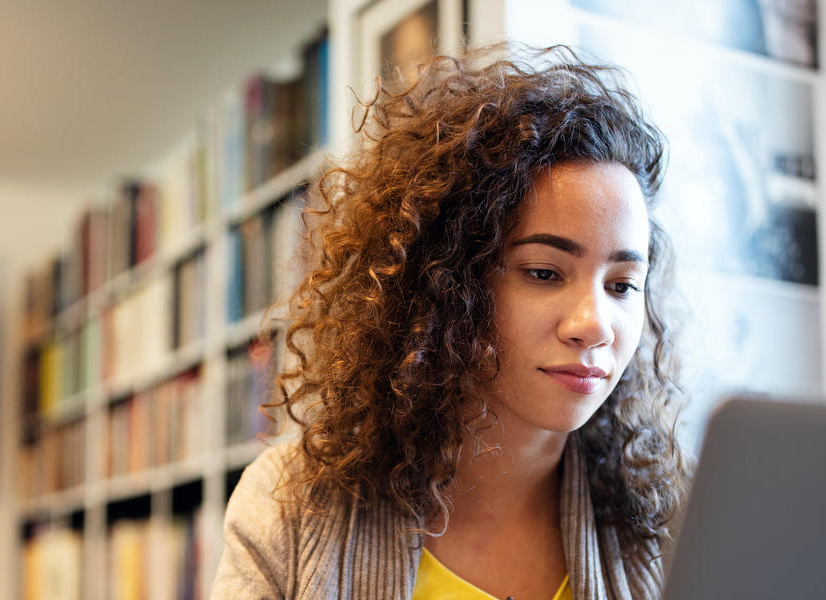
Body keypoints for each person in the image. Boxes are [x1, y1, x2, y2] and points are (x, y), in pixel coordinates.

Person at [213, 45, 688, 600]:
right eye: (542, 273)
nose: (594, 325)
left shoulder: (679, 515)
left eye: (622, 286)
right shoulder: (288, 504)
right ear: (445, 283)